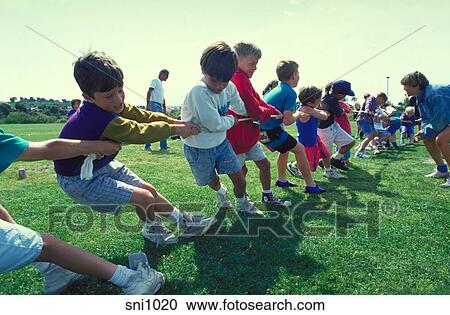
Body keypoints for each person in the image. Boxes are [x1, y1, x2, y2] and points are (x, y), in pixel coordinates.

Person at [55, 51, 216, 246]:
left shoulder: (112, 106)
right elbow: (139, 132)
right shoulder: (97, 117)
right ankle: (152, 230)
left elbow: (144, 117)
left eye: (120, 90)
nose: (118, 100)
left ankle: (184, 223)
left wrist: (175, 121)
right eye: (109, 95)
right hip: (79, 178)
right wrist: (174, 129)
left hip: (100, 165)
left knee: (148, 190)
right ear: (88, 97)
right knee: (143, 197)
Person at [0, 129, 164, 294]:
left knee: (145, 195)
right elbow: (49, 150)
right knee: (47, 246)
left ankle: (54, 270)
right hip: (79, 177)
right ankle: (132, 280)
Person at [181, 41, 262, 214]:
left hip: (222, 144)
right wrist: (232, 120)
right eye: (214, 80)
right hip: (198, 148)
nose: (219, 87)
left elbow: (240, 106)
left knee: (240, 179)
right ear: (203, 70)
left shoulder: (230, 87)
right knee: (211, 180)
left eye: (224, 81)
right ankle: (220, 191)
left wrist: (259, 112)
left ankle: (242, 204)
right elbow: (214, 124)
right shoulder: (198, 91)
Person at [226, 42, 289, 206]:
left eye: (256, 64)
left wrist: (273, 110)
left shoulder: (244, 78)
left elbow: (257, 99)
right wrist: (268, 113)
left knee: (264, 164)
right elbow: (252, 108)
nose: (255, 68)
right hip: (238, 136)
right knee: (241, 172)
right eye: (251, 63)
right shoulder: (237, 78)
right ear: (237, 61)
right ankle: (241, 199)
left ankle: (267, 195)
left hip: (248, 135)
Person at [259, 60, 324, 194]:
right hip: (271, 131)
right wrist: (298, 115)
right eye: (298, 73)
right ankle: (310, 185)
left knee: (285, 150)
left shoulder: (277, 89)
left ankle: (282, 180)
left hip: (261, 131)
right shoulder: (290, 92)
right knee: (300, 149)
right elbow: (288, 121)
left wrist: (293, 114)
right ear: (293, 75)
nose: (299, 76)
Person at [401, 71, 450, 187]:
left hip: (445, 118)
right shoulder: (420, 97)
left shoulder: (435, 93)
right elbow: (425, 118)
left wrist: (426, 130)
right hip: (445, 119)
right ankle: (442, 170)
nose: (404, 89)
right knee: (427, 138)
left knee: (441, 139)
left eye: (406, 86)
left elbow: (441, 119)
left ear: (416, 85)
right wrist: (424, 131)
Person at [297, 86, 344, 179]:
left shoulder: (307, 107)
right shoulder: (306, 109)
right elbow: (323, 116)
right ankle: (297, 169)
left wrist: (321, 111)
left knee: (325, 154)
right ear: (310, 102)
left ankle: (328, 171)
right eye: (319, 100)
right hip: (308, 141)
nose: (320, 101)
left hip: (315, 138)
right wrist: (325, 113)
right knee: (310, 163)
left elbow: (317, 111)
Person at [316, 80, 356, 169]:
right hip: (325, 129)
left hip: (332, 125)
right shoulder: (331, 100)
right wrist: (344, 110)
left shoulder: (329, 98)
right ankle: (328, 170)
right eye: (345, 94)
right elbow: (340, 113)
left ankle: (336, 159)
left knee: (350, 142)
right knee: (326, 154)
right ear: (338, 93)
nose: (345, 96)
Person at [144, 69, 170, 151]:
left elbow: (163, 98)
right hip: (154, 104)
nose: (167, 78)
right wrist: (148, 104)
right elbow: (149, 91)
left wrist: (165, 109)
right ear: (162, 74)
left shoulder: (161, 85)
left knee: (161, 124)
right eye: (167, 75)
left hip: (159, 106)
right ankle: (149, 146)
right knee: (158, 125)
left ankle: (163, 145)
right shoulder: (155, 80)